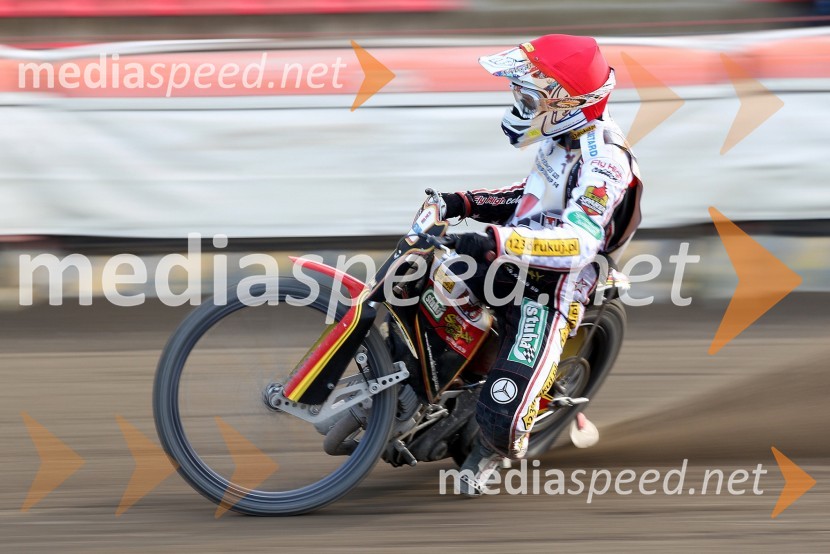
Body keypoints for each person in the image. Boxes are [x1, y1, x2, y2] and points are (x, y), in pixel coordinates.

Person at [436, 34, 643, 495]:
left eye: (529, 94)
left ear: (566, 100)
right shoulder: (561, 137)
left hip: (552, 286)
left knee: (502, 417)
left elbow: (578, 242)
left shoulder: (606, 161)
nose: (520, 102)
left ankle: (496, 445)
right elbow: (532, 196)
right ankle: (449, 381)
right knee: (426, 287)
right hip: (513, 258)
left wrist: (495, 238)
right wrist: (464, 201)